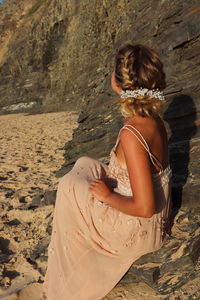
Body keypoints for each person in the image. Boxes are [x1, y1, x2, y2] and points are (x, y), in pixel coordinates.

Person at [40, 43, 172, 300]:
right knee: (85, 164)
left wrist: (107, 197)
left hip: (138, 229)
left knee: (69, 187)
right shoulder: (154, 120)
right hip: (157, 221)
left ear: (117, 81)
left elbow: (145, 207)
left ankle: (70, 276)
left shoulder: (132, 133)